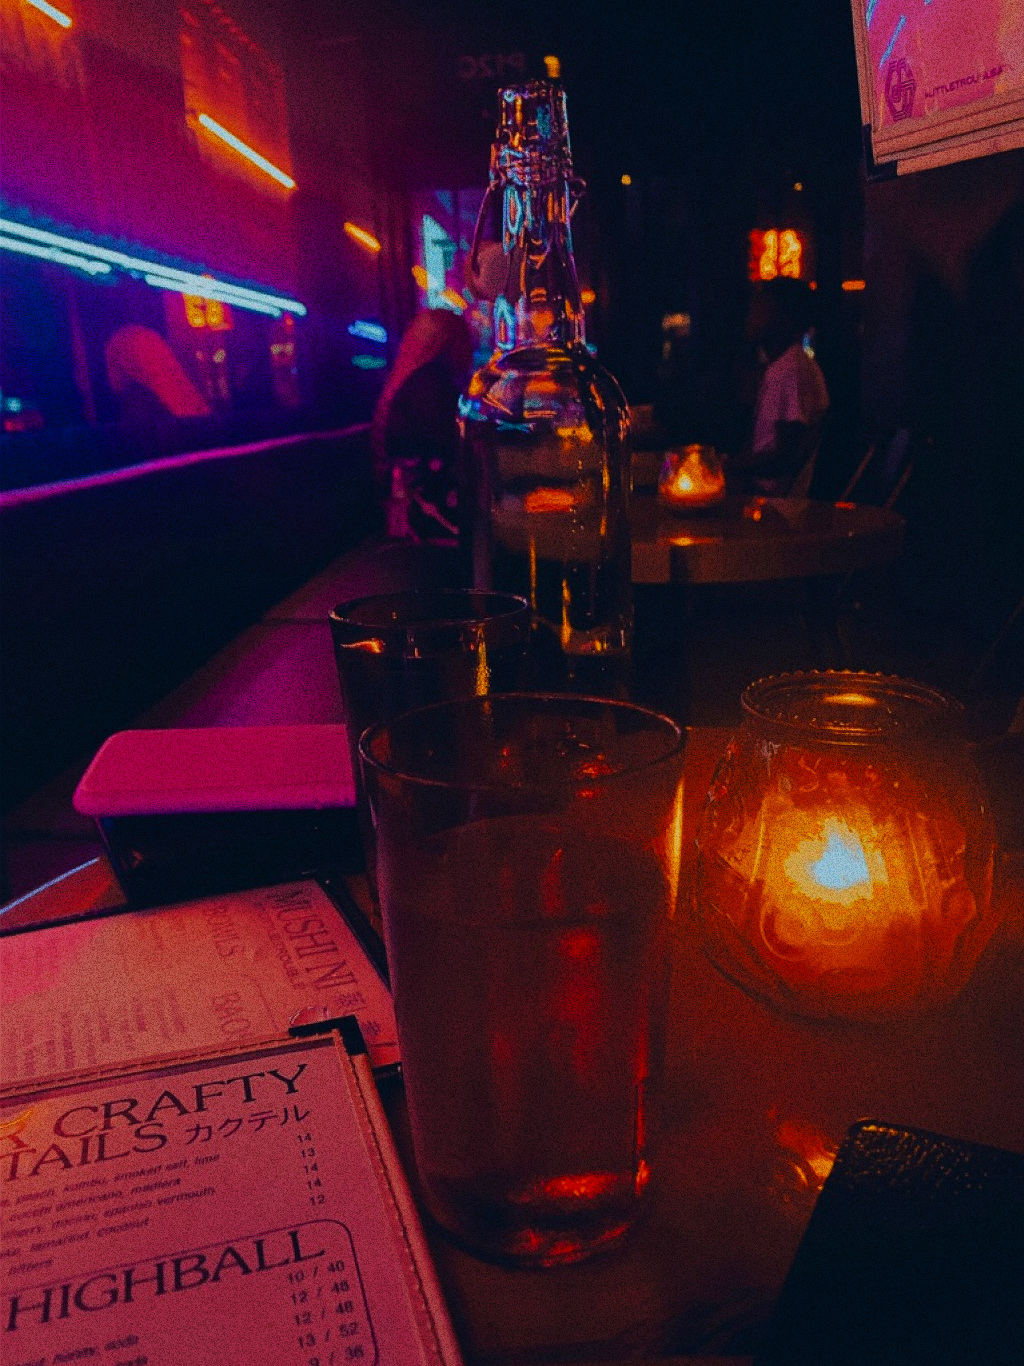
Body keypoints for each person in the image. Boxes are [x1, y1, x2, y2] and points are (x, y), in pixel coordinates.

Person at [370, 308, 474, 541]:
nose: (471, 349)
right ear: (449, 344)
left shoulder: (407, 381)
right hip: (427, 521)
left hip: (403, 511)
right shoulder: (428, 386)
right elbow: (457, 443)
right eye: (466, 341)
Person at [730, 277, 829, 496]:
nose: (751, 314)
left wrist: (726, 466)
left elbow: (783, 458)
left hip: (775, 503)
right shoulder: (786, 365)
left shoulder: (790, 369)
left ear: (786, 320)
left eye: (761, 307)